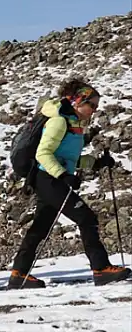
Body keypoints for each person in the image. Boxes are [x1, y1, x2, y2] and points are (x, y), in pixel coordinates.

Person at [9, 80, 130, 287]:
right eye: (91, 104)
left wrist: (97, 163)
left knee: (41, 225)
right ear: (77, 101)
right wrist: (64, 175)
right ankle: (100, 269)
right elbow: (43, 154)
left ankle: (18, 275)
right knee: (86, 217)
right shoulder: (59, 122)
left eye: (96, 106)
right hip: (47, 178)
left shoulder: (74, 123)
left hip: (50, 177)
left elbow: (68, 158)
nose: (94, 110)